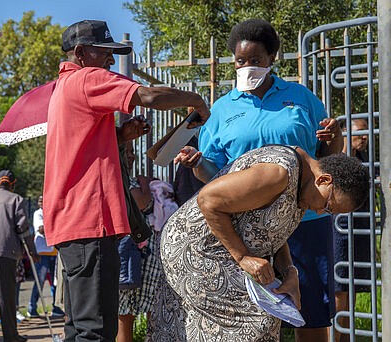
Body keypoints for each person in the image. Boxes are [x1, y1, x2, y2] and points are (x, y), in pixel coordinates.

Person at [174, 19, 343, 341]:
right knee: (254, 314)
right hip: (249, 228)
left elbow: (326, 158)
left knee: (311, 312)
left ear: (271, 59)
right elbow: (214, 175)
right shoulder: (222, 109)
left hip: (304, 221)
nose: (247, 67)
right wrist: (197, 165)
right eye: (241, 61)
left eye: (256, 61)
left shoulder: (302, 98)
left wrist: (336, 137)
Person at [42, 19, 210, 341]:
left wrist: (120, 135)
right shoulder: (87, 79)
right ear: (80, 53)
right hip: (89, 221)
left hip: (73, 221)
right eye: (104, 52)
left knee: (79, 324)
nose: (110, 60)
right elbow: (146, 96)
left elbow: (80, 148)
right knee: (97, 328)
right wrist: (194, 99)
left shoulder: (63, 88)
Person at [149, 145, 369, 341]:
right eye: (328, 206)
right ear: (324, 180)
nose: (321, 211)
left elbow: (273, 233)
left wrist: (289, 272)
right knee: (257, 321)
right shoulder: (279, 173)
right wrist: (243, 257)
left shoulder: (306, 188)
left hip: (223, 251)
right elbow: (208, 200)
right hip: (196, 247)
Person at [117, 143, 179, 342]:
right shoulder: (123, 182)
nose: (131, 156)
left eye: (132, 152)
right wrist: (145, 182)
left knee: (151, 310)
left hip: (145, 256)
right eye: (126, 151)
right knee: (125, 315)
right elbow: (142, 202)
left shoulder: (130, 181)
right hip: (130, 255)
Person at [0, 170, 37, 342]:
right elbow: (23, 228)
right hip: (4, 253)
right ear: (12, 184)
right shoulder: (16, 199)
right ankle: (10, 336)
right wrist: (32, 251)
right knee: (5, 296)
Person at [333, 118, 372, 342]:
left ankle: (346, 338)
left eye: (367, 131)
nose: (365, 137)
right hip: (340, 229)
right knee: (340, 288)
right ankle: (335, 337)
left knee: (353, 287)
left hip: (360, 229)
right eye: (360, 132)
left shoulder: (365, 158)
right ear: (345, 133)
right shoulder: (336, 160)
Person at [27, 195, 65, 319]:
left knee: (55, 281)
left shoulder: (51, 212)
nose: (40, 203)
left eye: (43, 201)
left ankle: (57, 307)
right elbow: (41, 229)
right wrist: (55, 224)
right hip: (42, 252)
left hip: (53, 251)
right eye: (39, 201)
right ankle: (32, 308)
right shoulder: (38, 214)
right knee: (40, 281)